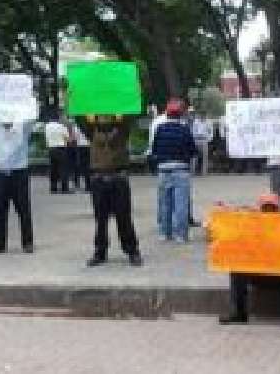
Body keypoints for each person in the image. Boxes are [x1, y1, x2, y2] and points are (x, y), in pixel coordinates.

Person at [218, 193, 280, 331]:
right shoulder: (252, 225)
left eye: (272, 208)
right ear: (260, 210)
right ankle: (239, 312)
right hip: (258, 274)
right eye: (265, 208)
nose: (269, 212)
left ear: (278, 210)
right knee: (236, 267)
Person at [84, 115, 143, 267]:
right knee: (100, 219)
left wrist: (122, 116)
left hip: (118, 177)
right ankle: (100, 251)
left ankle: (132, 251)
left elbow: (132, 115)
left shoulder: (122, 129)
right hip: (99, 178)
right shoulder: (92, 130)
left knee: (124, 217)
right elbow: (79, 116)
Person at [0, 121, 35, 255]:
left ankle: (27, 242)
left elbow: (33, 116)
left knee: (23, 208)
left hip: (19, 172)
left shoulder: (23, 126)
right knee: (0, 209)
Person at [151, 99, 197, 243]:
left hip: (163, 169)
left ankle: (165, 233)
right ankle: (181, 235)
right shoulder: (184, 130)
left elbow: (154, 149)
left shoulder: (160, 129)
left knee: (165, 203)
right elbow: (193, 150)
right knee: (181, 203)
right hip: (181, 169)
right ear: (181, 115)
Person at [44, 115, 72, 194]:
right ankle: (64, 188)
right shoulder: (61, 126)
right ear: (58, 119)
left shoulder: (47, 126)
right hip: (61, 149)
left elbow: (46, 137)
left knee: (53, 169)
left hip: (51, 148)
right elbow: (68, 139)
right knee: (63, 169)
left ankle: (53, 187)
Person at [70, 121, 91, 192]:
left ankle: (77, 182)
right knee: (88, 166)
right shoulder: (89, 126)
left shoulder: (75, 127)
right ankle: (88, 185)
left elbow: (73, 138)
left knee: (78, 165)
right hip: (88, 146)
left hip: (79, 147)